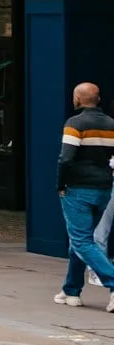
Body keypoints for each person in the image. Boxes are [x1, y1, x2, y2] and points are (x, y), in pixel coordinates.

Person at [52, 81, 114, 309]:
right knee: (80, 240)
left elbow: (65, 158)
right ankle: (71, 290)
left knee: (82, 240)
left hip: (78, 188)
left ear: (78, 99)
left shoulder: (74, 123)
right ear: (97, 99)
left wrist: (60, 183)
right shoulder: (111, 124)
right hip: (103, 189)